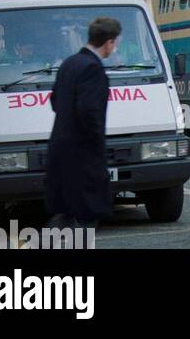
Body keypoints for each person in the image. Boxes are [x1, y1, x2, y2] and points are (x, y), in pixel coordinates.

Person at [44, 16, 121, 229]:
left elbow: (55, 101)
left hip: (60, 153)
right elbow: (89, 113)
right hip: (83, 158)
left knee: (65, 216)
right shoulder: (92, 69)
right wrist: (98, 149)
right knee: (84, 218)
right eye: (115, 43)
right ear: (109, 42)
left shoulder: (69, 63)